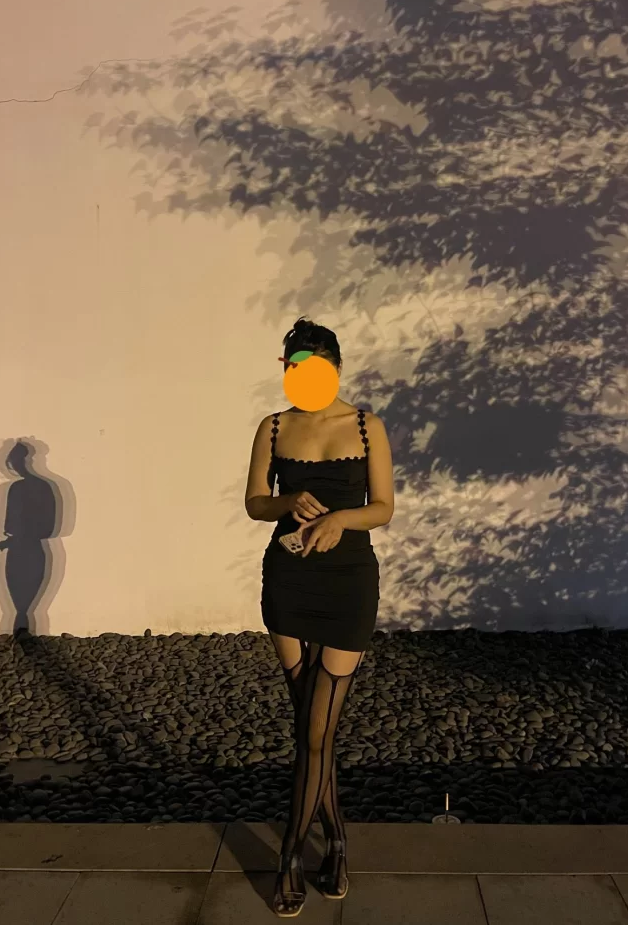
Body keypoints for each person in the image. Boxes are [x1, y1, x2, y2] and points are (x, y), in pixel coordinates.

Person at [245, 317, 395, 918]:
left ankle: (289, 856)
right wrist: (287, 502)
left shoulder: (366, 425)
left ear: (334, 368)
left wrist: (339, 518)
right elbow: (255, 502)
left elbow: (383, 508)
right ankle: (335, 843)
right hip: (290, 578)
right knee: (311, 727)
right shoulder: (273, 426)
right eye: (292, 368)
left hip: (348, 581)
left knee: (315, 730)